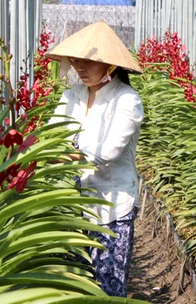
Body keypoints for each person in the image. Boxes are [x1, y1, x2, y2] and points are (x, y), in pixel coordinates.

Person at [45, 20, 143, 297]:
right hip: (75, 205)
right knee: (77, 285)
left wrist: (68, 149)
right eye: (76, 60)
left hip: (113, 206)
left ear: (111, 64)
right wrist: (65, 149)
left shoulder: (127, 100)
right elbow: (52, 136)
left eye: (89, 61)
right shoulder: (71, 95)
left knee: (108, 287)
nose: (80, 67)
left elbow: (108, 152)